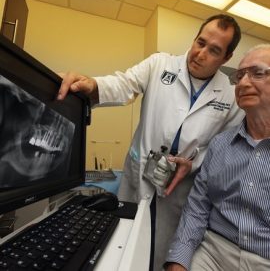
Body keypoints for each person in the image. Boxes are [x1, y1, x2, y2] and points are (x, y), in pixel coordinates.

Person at [57, 14, 245, 270]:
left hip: (179, 191)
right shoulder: (160, 64)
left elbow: (221, 148)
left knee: (160, 254)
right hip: (139, 176)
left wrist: (192, 163)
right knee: (123, 246)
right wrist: (93, 85)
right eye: (200, 42)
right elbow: (124, 84)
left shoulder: (231, 97)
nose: (200, 54)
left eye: (214, 50)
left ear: (226, 58)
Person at [165, 44, 270, 271]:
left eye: (258, 73)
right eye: (239, 75)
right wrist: (178, 261)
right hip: (214, 250)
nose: (242, 83)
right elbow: (197, 208)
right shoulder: (220, 144)